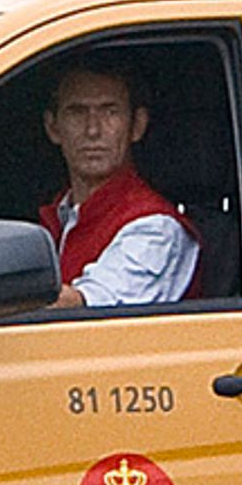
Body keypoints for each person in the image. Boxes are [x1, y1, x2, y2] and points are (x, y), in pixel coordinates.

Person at [38, 57, 200, 308]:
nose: (93, 130)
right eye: (77, 112)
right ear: (53, 127)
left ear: (137, 125)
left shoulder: (156, 228)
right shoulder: (60, 216)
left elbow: (83, 308)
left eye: (110, 112)